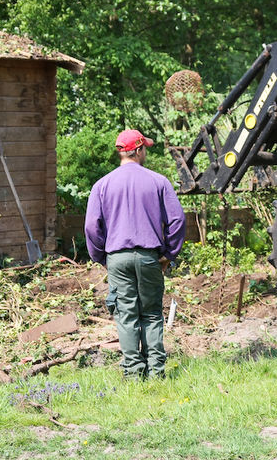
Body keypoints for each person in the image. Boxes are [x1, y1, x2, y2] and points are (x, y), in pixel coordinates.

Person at [84, 128, 186, 380]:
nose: (146, 153)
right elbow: (177, 220)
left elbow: (90, 226)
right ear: (138, 149)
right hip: (149, 255)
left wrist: (101, 257)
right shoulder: (158, 181)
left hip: (117, 257)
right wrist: (168, 254)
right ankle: (156, 373)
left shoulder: (102, 185)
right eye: (146, 149)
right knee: (151, 313)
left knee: (126, 315)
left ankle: (132, 373)